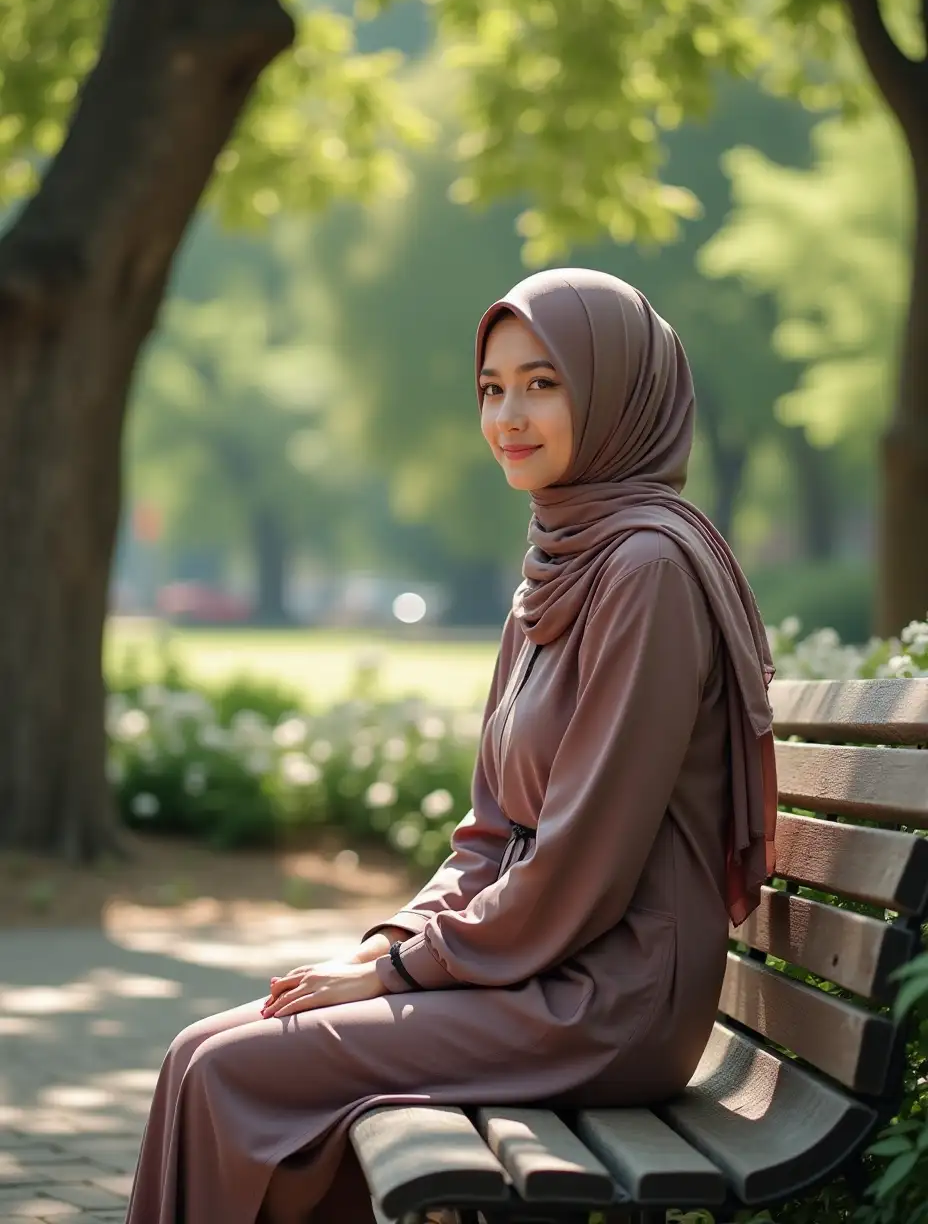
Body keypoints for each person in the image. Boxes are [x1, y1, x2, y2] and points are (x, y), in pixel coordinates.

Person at [124, 268, 777, 1224]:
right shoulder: (558, 564)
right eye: (491, 388)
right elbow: (489, 831)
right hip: (541, 969)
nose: (508, 415)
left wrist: (396, 975)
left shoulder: (645, 570)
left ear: (615, 392)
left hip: (612, 997)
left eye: (544, 382)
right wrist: (392, 943)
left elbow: (580, 864)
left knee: (230, 1071)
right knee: (198, 1052)